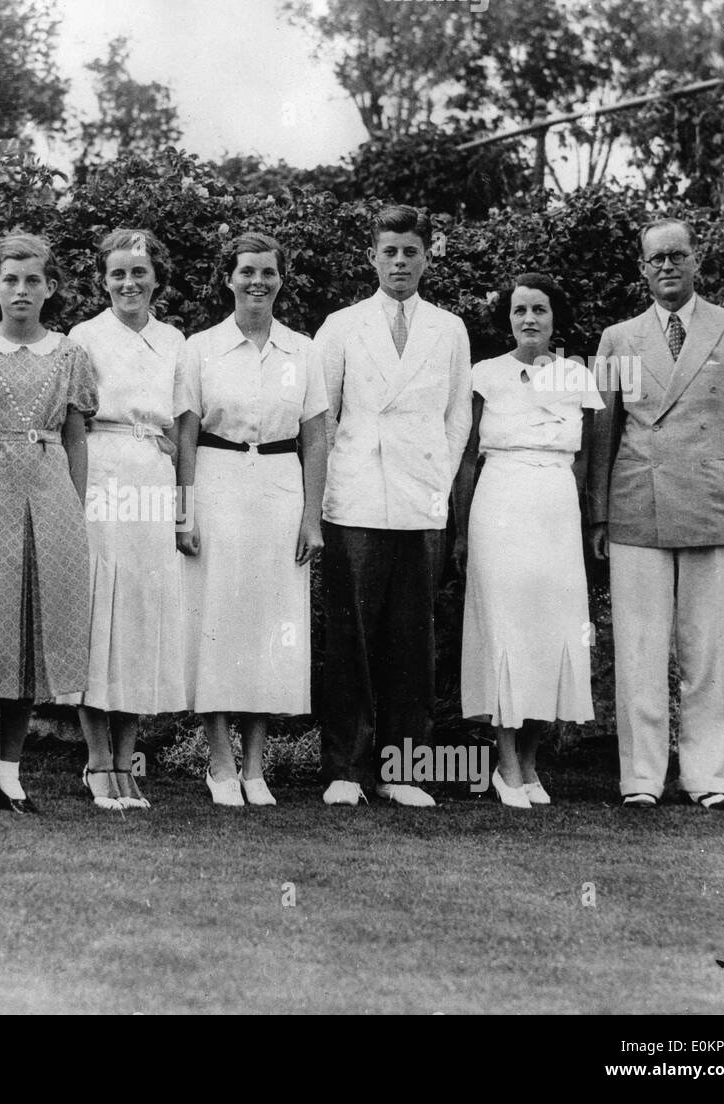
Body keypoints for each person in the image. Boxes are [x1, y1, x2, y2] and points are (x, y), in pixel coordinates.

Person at [589, 218, 724, 810]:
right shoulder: (617, 338)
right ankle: (641, 779)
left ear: (697, 262)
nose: (668, 267)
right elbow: (602, 432)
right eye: (657, 259)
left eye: (678, 255)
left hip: (714, 505)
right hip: (636, 507)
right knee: (640, 649)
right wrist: (598, 515)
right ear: (642, 269)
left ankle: (707, 778)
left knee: (708, 651)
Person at [314, 205, 471, 808]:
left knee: (412, 639)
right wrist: (327, 492)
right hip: (354, 498)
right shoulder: (342, 325)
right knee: (351, 636)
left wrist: (436, 481)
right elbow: (323, 418)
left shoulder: (448, 328)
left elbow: (458, 419)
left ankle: (403, 771)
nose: (400, 262)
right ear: (373, 257)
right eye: (390, 252)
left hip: (420, 500)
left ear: (426, 257)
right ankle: (346, 771)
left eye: (410, 252)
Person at [0, 233, 98, 815]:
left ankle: (12, 771)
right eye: (10, 279)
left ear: (50, 287)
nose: (21, 290)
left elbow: (77, 438)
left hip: (50, 490)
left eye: (33, 280)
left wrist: (75, 513)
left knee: (34, 630)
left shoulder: (69, 354)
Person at [176, 231, 328, 807]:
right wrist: (183, 513)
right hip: (216, 483)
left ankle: (256, 768)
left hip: (280, 488)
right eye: (246, 272)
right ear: (228, 278)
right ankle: (219, 763)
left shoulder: (303, 351)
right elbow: (186, 432)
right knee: (217, 620)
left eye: (267, 272)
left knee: (269, 624)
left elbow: (316, 436)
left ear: (281, 279)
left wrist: (312, 518)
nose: (256, 282)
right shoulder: (200, 347)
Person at [454, 275, 601, 808]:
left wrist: (585, 524)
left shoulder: (577, 375)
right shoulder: (485, 374)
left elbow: (585, 461)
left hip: (556, 508)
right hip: (499, 505)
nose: (530, 320)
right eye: (520, 311)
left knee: (550, 633)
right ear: (508, 318)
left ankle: (531, 762)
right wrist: (461, 527)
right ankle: (506, 765)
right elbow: (467, 455)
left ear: (554, 317)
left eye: (540, 309)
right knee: (507, 632)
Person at [67, 229, 187, 810]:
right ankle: (95, 762)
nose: (128, 283)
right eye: (117, 273)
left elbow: (183, 425)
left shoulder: (175, 339)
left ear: (156, 279)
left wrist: (181, 504)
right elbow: (73, 424)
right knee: (101, 610)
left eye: (139, 272)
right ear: (103, 279)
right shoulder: (83, 336)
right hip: (102, 470)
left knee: (140, 613)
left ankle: (124, 762)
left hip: (153, 477)